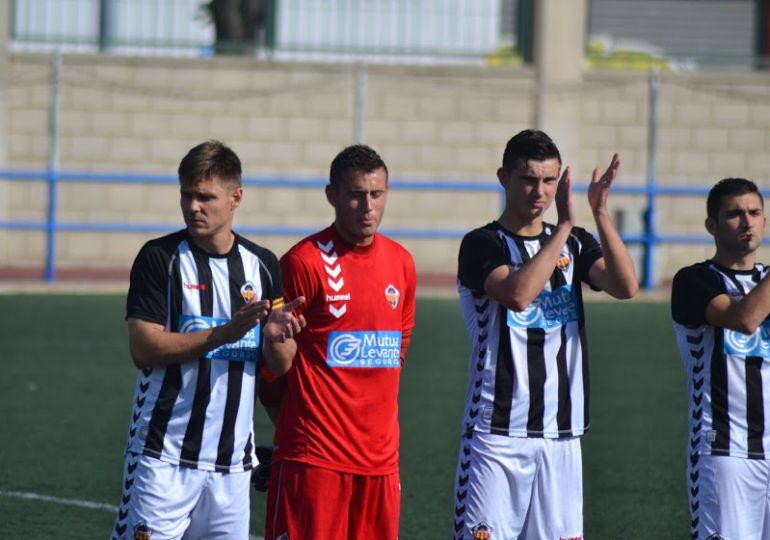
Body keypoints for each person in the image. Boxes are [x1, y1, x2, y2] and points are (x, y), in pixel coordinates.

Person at [110, 140, 305, 540]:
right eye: (187, 195)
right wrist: (222, 334)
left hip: (231, 469)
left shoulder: (263, 266)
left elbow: (282, 363)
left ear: (235, 198)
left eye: (205, 197)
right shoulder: (160, 258)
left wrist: (276, 339)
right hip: (162, 458)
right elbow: (143, 348)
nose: (193, 206)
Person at [452, 129, 638, 539]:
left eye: (550, 181)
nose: (540, 191)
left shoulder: (573, 241)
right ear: (504, 177)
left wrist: (600, 213)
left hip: (561, 435)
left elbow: (625, 286)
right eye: (529, 179)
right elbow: (518, 294)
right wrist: (566, 224)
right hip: (497, 433)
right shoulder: (482, 244)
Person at [259, 144, 416, 540]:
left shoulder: (401, 262)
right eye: (355, 194)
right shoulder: (304, 262)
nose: (368, 207)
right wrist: (297, 436)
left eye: (376, 194)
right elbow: (271, 372)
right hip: (315, 463)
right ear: (332, 195)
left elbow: (394, 356)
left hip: (380, 465)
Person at [672, 178, 770, 540]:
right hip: (724, 451)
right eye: (734, 214)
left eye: (755, 212)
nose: (747, 222)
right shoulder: (694, 281)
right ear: (711, 225)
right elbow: (744, 319)